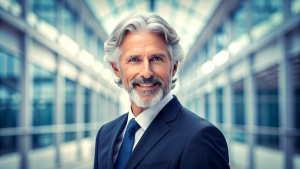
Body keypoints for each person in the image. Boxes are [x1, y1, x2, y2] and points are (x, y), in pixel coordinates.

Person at [93, 12, 230, 169]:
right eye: (134, 60)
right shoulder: (105, 134)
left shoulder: (200, 137)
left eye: (156, 58)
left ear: (174, 67)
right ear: (116, 69)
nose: (146, 72)